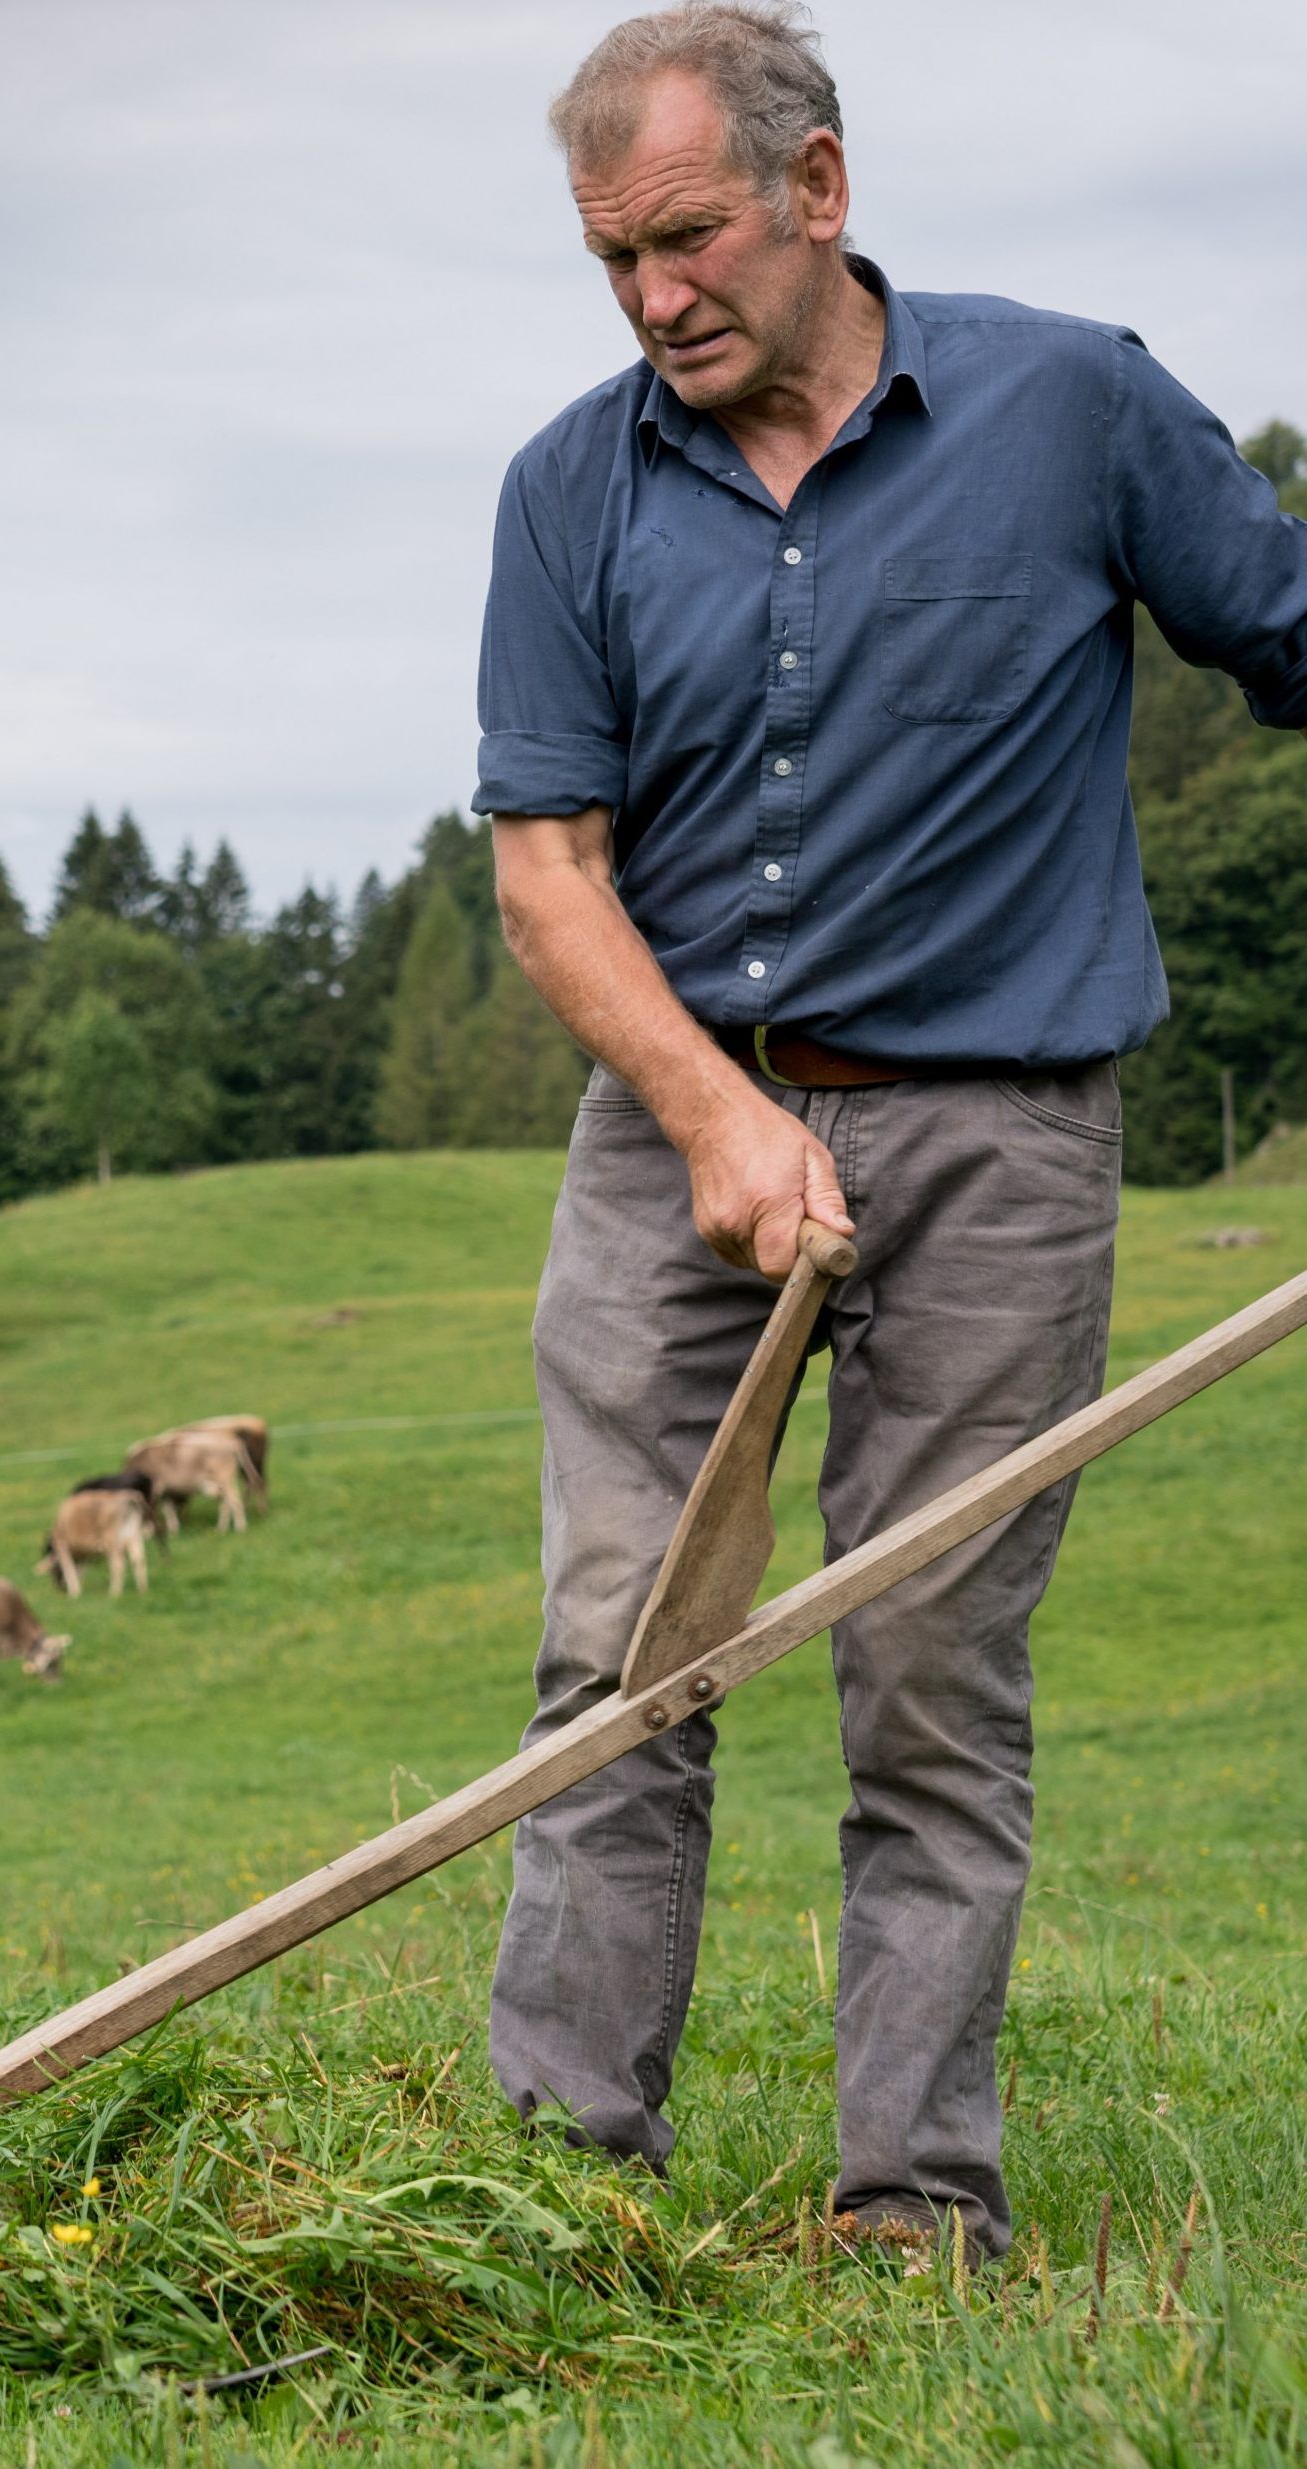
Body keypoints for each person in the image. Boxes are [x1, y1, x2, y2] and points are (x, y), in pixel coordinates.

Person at [475, 3, 1307, 2259]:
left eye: (683, 238)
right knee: (613, 1658)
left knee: (929, 1679)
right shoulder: (568, 484)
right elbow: (546, 865)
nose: (652, 300)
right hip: (673, 1141)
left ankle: (910, 2207)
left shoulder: (1068, 404)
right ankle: (553, 2190)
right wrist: (713, 1120)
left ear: (816, 191)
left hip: (997, 1142)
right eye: (606, 262)